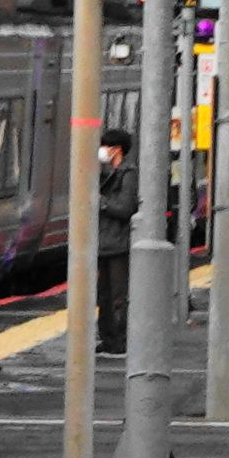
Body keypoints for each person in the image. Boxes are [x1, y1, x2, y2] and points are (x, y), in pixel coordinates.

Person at [95, 126, 137, 354]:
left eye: (106, 146)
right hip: (104, 243)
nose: (102, 150)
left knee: (118, 296)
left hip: (119, 243)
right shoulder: (106, 173)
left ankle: (120, 340)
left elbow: (125, 208)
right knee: (103, 295)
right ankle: (108, 339)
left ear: (117, 149)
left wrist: (101, 202)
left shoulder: (128, 174)